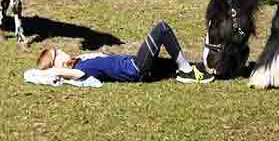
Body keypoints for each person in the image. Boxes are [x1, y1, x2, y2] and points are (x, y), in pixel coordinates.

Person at [35, 21, 214, 84]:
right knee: (162, 29)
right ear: (55, 64)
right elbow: (61, 72)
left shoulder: (80, 60)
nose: (62, 52)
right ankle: (186, 72)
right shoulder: (79, 71)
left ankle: (193, 69)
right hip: (136, 68)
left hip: (137, 63)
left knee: (182, 63)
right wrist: (47, 71)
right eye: (57, 54)